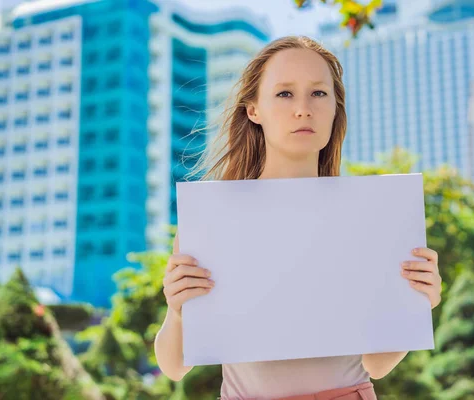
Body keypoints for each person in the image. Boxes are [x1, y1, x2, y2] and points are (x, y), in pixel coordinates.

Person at [154, 35, 443, 400]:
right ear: (253, 109)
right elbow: (174, 367)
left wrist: (419, 303)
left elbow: (377, 364)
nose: (303, 109)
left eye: (319, 94)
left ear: (337, 107)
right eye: (284, 94)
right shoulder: (213, 219)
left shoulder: (369, 217)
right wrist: (177, 311)